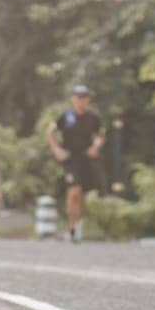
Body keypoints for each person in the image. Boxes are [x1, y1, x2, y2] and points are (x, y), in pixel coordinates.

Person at [47, 85, 105, 242]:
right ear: (73, 99)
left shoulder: (93, 118)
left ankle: (76, 226)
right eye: (78, 97)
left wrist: (95, 146)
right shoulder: (66, 117)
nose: (81, 101)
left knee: (80, 195)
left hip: (85, 159)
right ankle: (71, 227)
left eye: (84, 98)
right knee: (74, 190)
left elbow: (100, 134)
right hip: (69, 158)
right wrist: (56, 149)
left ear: (88, 100)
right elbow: (51, 131)